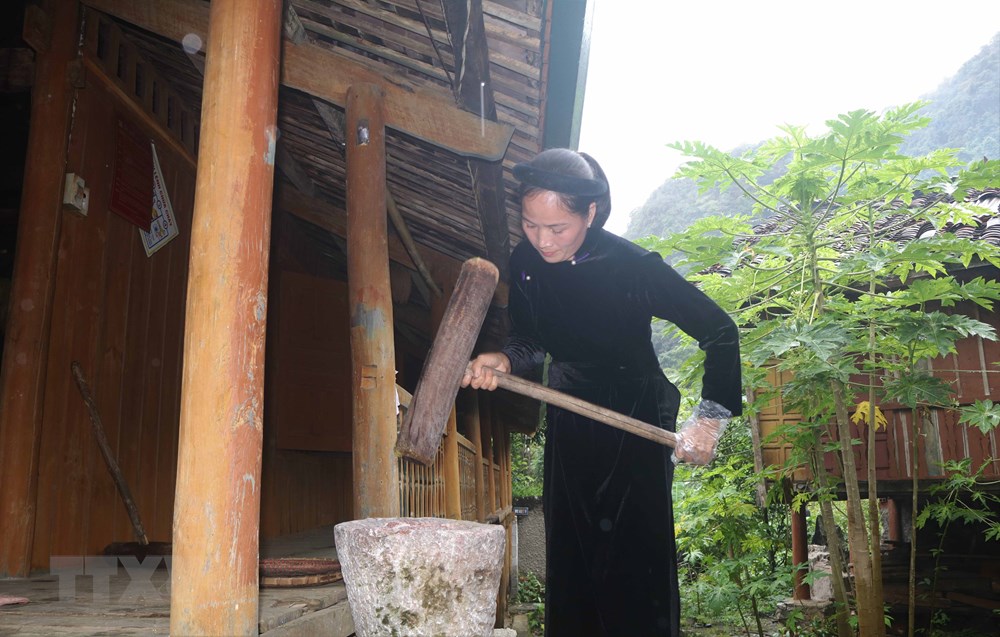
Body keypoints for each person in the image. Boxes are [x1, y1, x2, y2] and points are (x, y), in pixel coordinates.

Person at [461, 149, 742, 637]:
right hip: (570, 418)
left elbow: (720, 330)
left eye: (557, 228)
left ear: (590, 213)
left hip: (634, 416)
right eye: (531, 225)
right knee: (572, 558)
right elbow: (531, 339)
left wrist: (709, 419)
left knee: (636, 562)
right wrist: (504, 359)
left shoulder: (633, 267)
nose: (542, 241)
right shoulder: (526, 263)